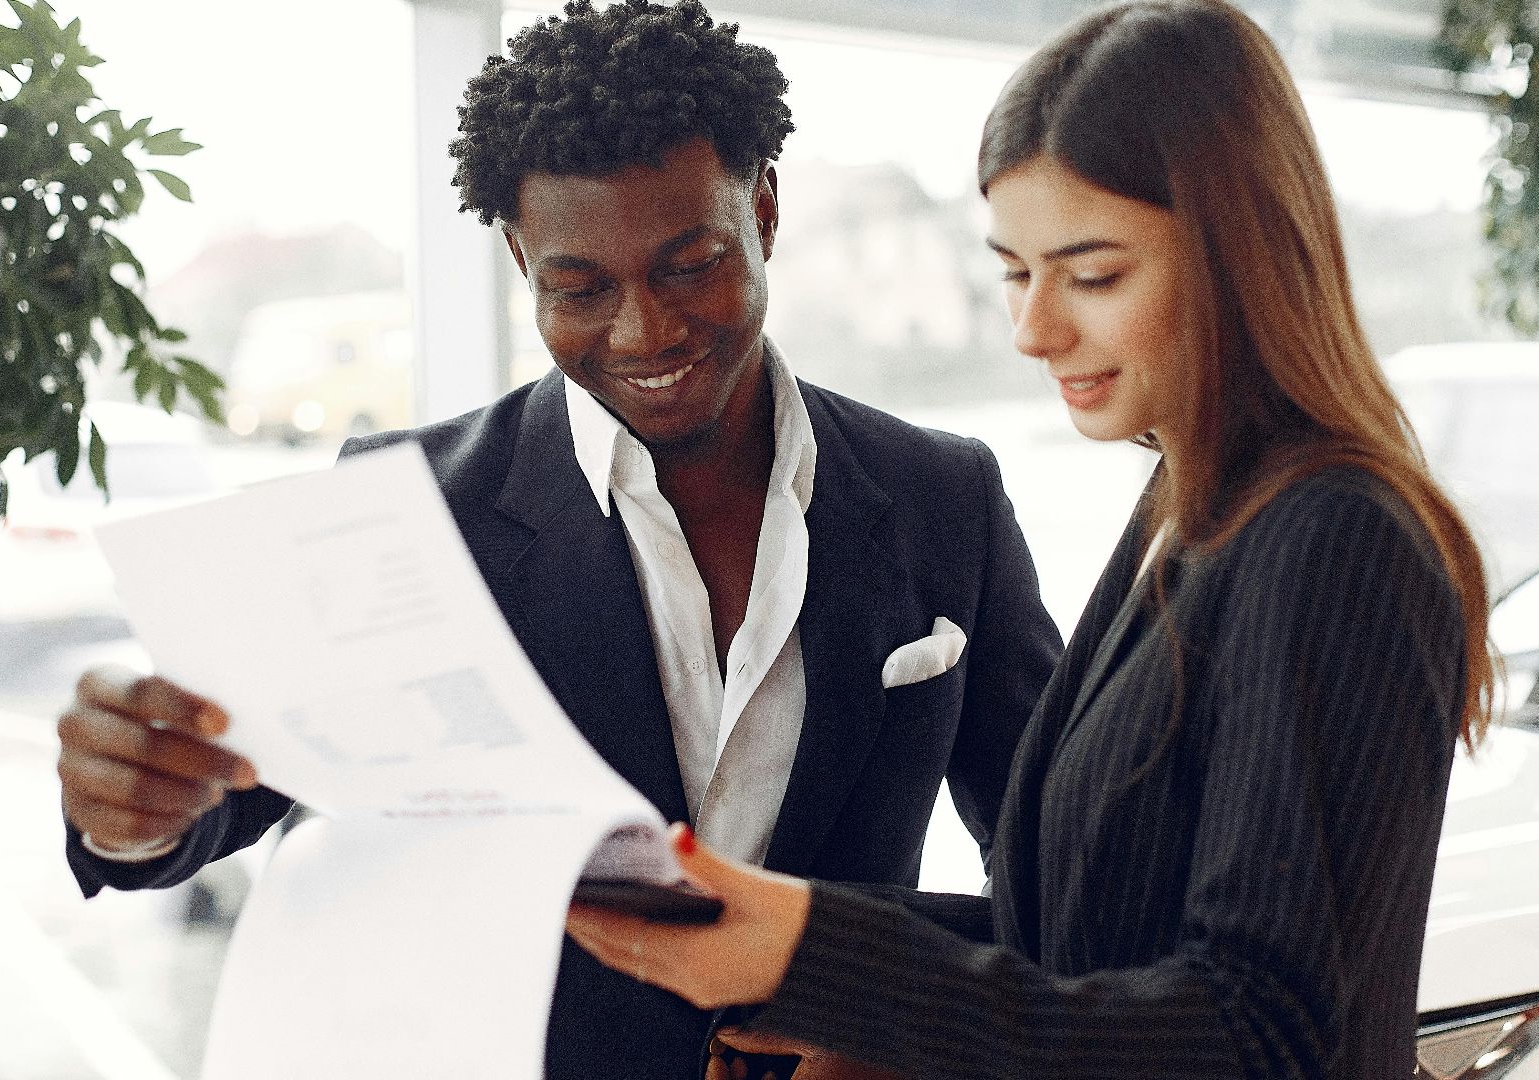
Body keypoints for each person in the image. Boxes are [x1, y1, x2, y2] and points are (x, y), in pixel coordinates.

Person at [52, 3, 1062, 1077]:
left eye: (689, 265)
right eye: (579, 288)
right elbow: (221, 802)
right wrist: (137, 804)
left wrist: (906, 1023)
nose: (646, 332)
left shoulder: (943, 494)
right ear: (518, 255)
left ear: (764, 210)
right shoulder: (413, 511)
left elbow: (1066, 872)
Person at [564, 2, 1500, 1078]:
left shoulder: (1336, 538)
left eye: (1092, 274)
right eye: (1015, 270)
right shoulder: (1184, 506)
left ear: (1242, 254)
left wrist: (828, 963)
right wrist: (822, 979)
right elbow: (1075, 940)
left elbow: (1258, 1034)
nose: (1033, 329)